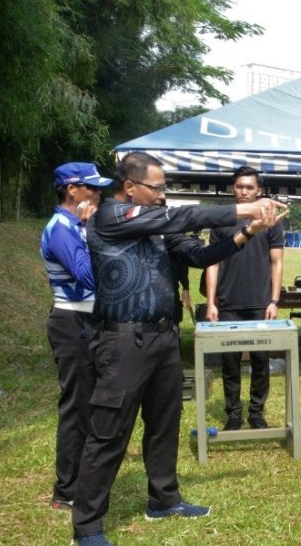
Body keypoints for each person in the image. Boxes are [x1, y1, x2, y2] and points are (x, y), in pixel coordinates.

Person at [75, 152, 285, 545]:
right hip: (123, 340)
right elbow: (182, 217)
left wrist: (249, 231)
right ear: (130, 186)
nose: (162, 195)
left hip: (163, 337)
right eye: (157, 188)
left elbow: (200, 255)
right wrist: (244, 208)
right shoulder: (110, 216)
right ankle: (87, 525)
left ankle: (164, 499)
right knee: (108, 431)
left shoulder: (157, 223)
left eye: (164, 188)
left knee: (164, 423)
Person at [39, 162, 113, 511]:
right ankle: (65, 490)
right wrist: (88, 228)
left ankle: (82, 477)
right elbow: (86, 276)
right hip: (72, 324)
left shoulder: (76, 226)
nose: (97, 192)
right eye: (91, 187)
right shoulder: (61, 228)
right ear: (72, 190)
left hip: (89, 322)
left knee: (91, 404)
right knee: (76, 407)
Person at [205, 166, 285, 431]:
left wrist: (274, 300)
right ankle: (233, 414)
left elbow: (277, 262)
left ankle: (257, 412)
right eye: (240, 186)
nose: (244, 191)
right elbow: (212, 263)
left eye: (250, 187)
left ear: (258, 190)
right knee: (230, 363)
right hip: (229, 302)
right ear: (233, 189)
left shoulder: (271, 220)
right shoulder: (222, 221)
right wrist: (211, 302)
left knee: (261, 361)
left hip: (260, 303)